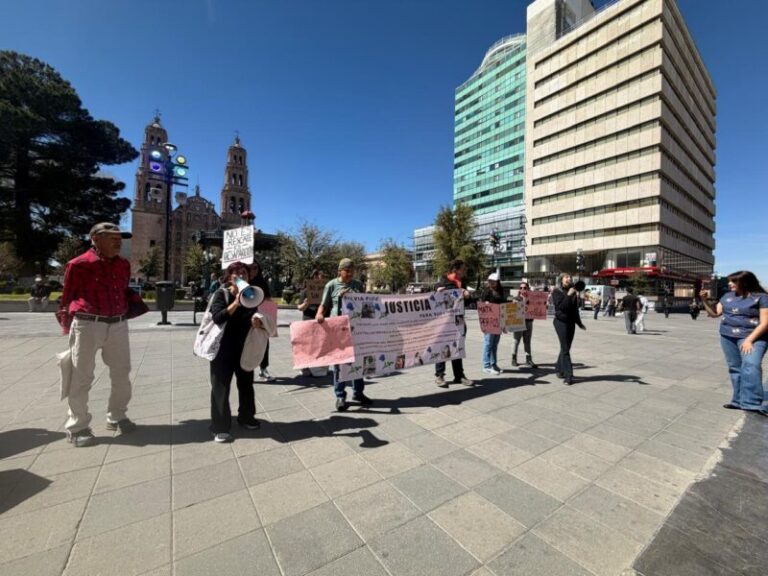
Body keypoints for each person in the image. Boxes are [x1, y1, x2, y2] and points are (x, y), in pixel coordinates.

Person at [57, 222, 137, 447]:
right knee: (81, 376)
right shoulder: (78, 264)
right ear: (95, 238)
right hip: (88, 323)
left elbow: (122, 290)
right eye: (112, 238)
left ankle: (117, 416)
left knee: (122, 373)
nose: (118, 242)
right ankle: (77, 426)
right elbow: (67, 297)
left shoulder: (123, 264)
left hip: (118, 323)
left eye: (119, 238)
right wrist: (67, 327)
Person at [207, 261, 264, 442]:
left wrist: (257, 321)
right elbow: (218, 317)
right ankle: (219, 426)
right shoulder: (221, 294)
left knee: (246, 384)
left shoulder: (251, 295)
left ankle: (246, 417)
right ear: (230, 277)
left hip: (243, 348)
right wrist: (236, 303)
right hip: (222, 350)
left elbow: (252, 316)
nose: (241, 275)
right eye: (237, 273)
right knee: (221, 388)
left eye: (244, 273)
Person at [700, 271, 768, 416]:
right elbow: (714, 314)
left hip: (753, 337)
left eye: (733, 281)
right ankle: (737, 400)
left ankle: (752, 403)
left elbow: (765, 323)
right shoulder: (727, 296)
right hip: (728, 336)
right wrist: (704, 300)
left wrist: (749, 340)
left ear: (745, 282)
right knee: (735, 368)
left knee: (751, 365)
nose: (729, 284)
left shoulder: (761, 297)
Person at [316, 258, 371, 411]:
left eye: (352, 271)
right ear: (340, 271)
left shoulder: (358, 285)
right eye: (347, 271)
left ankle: (358, 393)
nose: (350, 274)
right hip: (338, 330)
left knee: (357, 360)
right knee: (339, 363)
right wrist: (319, 314)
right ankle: (340, 395)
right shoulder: (331, 285)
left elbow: (365, 304)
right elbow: (324, 304)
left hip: (356, 329)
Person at [434, 259, 474, 388]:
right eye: (463, 268)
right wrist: (438, 289)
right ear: (456, 269)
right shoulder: (445, 280)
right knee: (443, 347)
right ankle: (440, 375)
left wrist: (467, 295)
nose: (465, 271)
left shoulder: (462, 282)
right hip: (445, 322)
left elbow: (465, 303)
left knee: (458, 347)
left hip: (459, 320)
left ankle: (459, 376)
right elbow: (435, 290)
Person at [551, 273, 586, 385]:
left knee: (565, 348)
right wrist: (568, 295)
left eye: (570, 277)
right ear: (561, 280)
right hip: (560, 322)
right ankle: (568, 375)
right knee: (565, 348)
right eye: (566, 277)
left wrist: (579, 323)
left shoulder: (573, 292)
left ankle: (558, 368)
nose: (569, 279)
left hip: (571, 323)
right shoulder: (556, 291)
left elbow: (574, 310)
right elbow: (562, 307)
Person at [249, 260, 275, 382]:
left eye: (255, 267)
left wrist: (269, 319)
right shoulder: (243, 282)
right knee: (248, 345)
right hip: (246, 318)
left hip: (261, 318)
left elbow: (268, 299)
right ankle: (247, 370)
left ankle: (263, 369)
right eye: (250, 267)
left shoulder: (261, 282)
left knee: (264, 344)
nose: (253, 270)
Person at [297, 269, 325, 377]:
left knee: (319, 345)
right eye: (318, 277)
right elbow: (299, 308)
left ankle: (317, 367)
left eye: (322, 277)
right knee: (307, 346)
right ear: (314, 278)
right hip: (308, 321)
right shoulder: (305, 292)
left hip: (321, 322)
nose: (320, 279)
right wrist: (306, 304)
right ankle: (305, 367)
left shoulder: (326, 292)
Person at [480, 273, 506, 375]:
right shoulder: (486, 291)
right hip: (489, 321)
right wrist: (485, 304)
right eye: (490, 281)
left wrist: (504, 323)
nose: (491, 283)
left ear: (497, 282)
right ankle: (486, 366)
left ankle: (493, 364)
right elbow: (482, 305)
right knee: (488, 343)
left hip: (498, 321)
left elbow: (503, 305)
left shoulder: (500, 291)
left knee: (494, 344)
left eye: (493, 281)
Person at [512, 280, 538, 369]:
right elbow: (515, 310)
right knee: (516, 341)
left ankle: (528, 359)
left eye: (525, 288)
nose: (523, 289)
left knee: (527, 341)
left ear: (528, 289)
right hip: (518, 323)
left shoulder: (532, 299)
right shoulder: (516, 298)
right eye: (521, 288)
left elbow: (536, 308)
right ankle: (514, 358)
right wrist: (523, 300)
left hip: (528, 322)